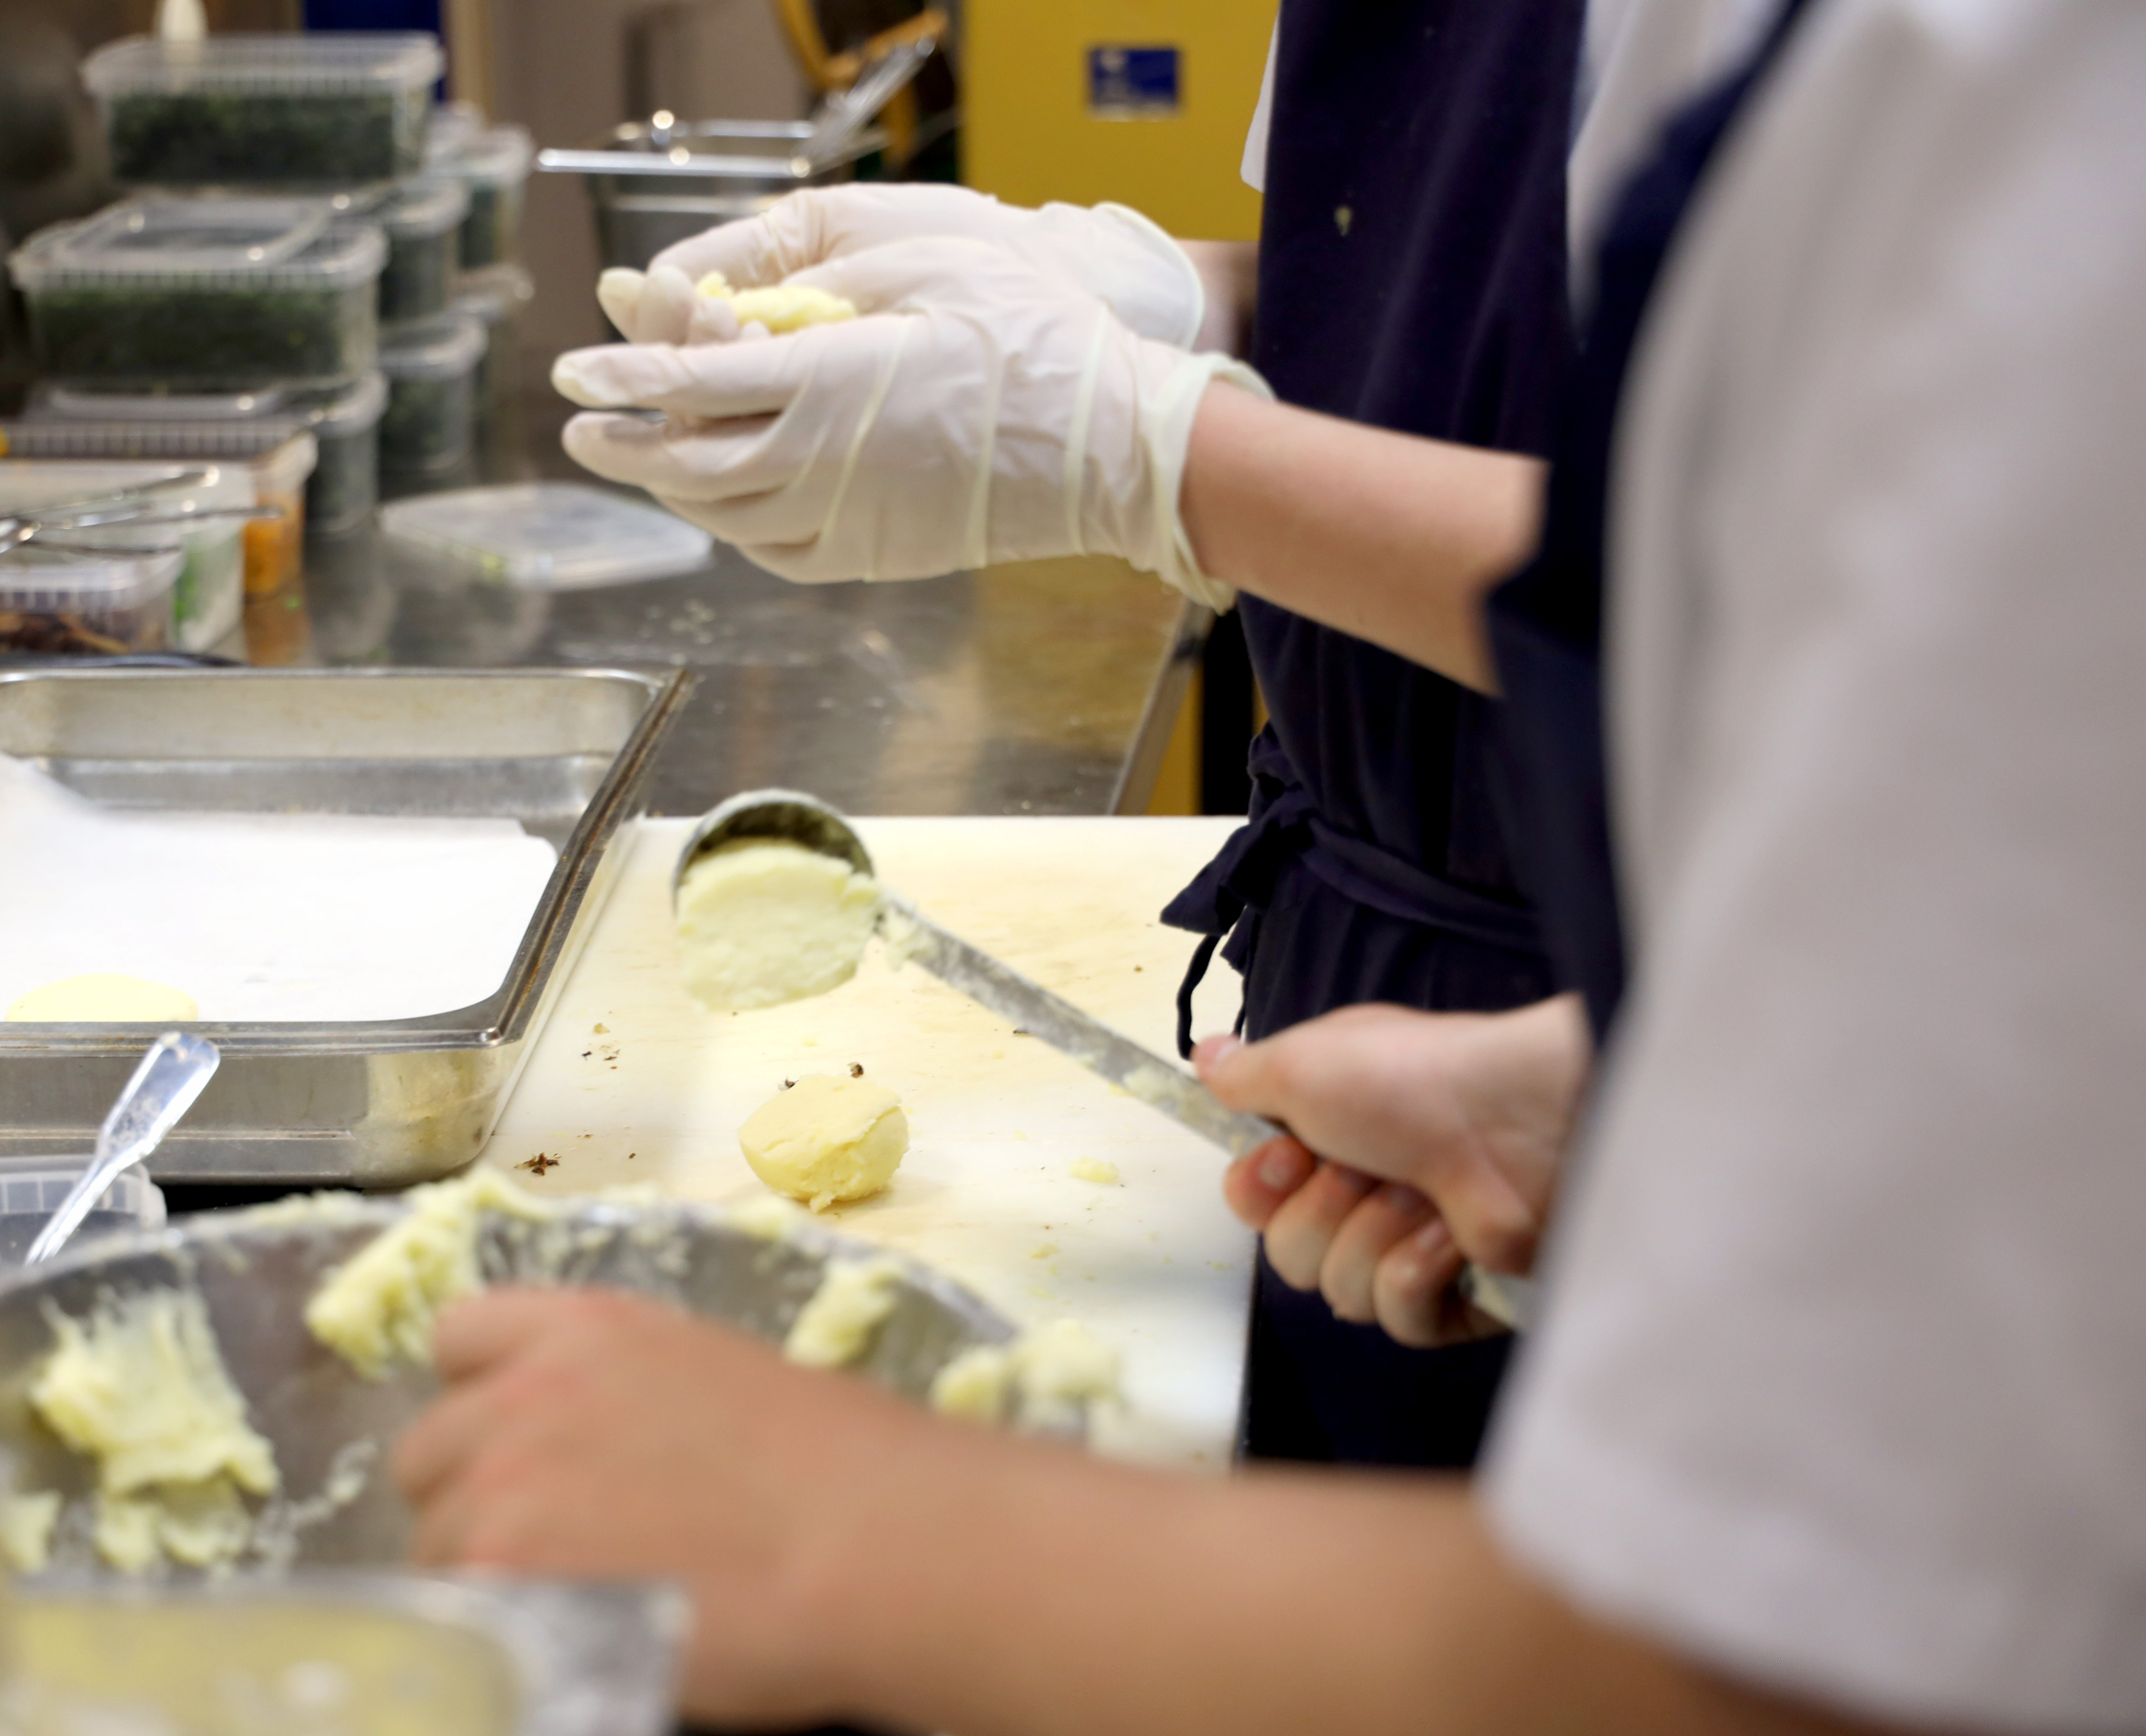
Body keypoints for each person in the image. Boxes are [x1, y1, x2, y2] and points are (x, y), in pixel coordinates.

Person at [397, 0, 2146, 1736]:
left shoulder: (2030, 77)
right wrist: (1148, 303)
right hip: (1586, 1054)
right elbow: (1507, 326)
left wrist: (850, 1529)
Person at [561, 0, 1594, 1485]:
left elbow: (1754, 610)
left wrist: (1155, 456)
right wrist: (1155, 302)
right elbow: (1431, 314)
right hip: (1372, 1030)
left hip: (1616, 1017)